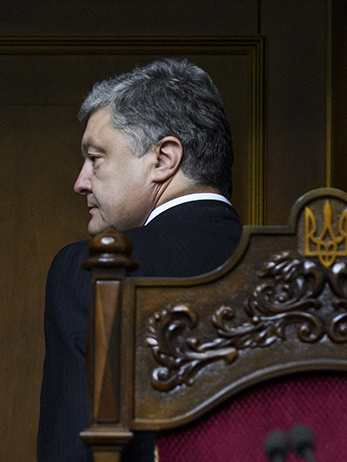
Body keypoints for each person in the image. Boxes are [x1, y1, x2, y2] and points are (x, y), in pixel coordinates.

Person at [37, 58, 243, 461]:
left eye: (95, 157)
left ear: (163, 160)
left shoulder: (92, 268)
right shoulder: (301, 272)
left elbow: (74, 452)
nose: (80, 182)